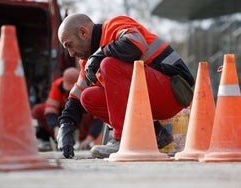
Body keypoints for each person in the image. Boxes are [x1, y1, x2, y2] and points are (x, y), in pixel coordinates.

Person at [57, 13, 195, 159]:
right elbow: (77, 95)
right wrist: (65, 125)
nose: (71, 53)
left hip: (174, 90)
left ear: (83, 32)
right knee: (88, 97)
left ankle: (121, 138)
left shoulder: (114, 25)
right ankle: (152, 136)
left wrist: (101, 53)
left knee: (108, 64)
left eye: (69, 45)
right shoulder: (88, 61)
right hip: (154, 94)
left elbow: (134, 45)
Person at [32, 67, 103, 151]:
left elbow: (98, 120)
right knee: (38, 109)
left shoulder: (88, 86)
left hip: (81, 116)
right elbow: (50, 111)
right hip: (63, 114)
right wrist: (56, 129)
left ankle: (82, 142)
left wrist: (89, 138)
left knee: (87, 113)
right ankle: (56, 139)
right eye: (67, 91)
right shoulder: (57, 85)